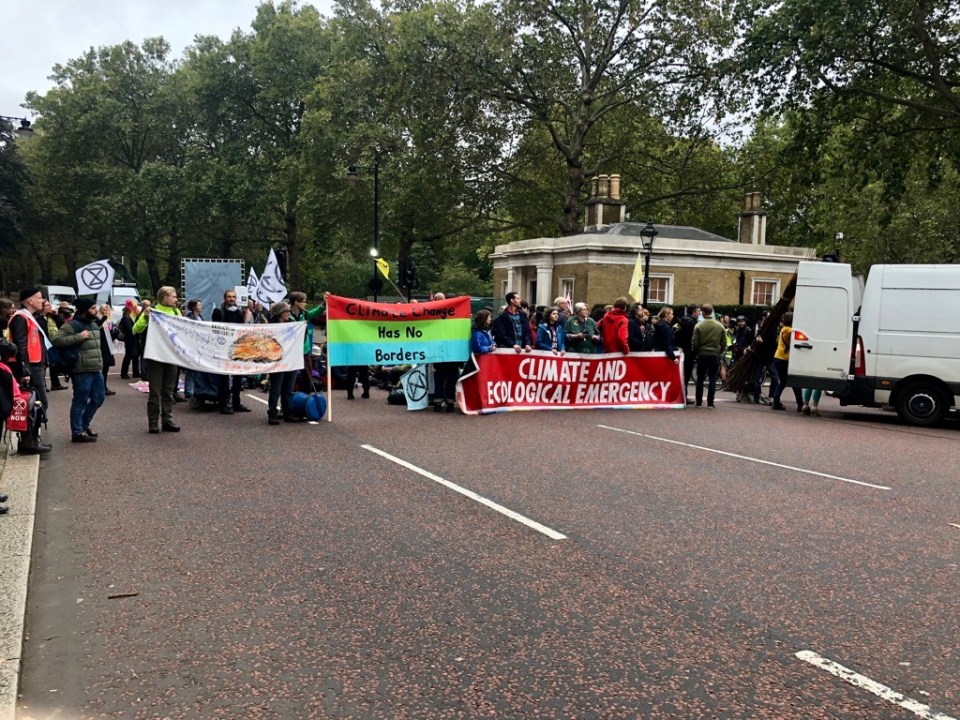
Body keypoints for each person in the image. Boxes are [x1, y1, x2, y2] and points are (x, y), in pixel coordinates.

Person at [52, 298, 105, 442]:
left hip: (96, 368)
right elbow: (56, 340)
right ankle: (77, 432)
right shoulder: (72, 325)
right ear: (84, 310)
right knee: (80, 401)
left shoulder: (94, 324)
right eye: (93, 308)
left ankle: (83, 425)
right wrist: (78, 337)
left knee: (99, 398)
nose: (96, 311)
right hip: (81, 370)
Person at [8, 287, 51, 455]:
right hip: (30, 367)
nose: (42, 301)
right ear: (30, 300)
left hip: (35, 365)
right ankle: (29, 443)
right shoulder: (21, 318)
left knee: (37, 404)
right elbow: (21, 345)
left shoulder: (30, 317)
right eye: (39, 298)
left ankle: (31, 440)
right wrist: (25, 370)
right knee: (34, 404)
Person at [133, 286, 181, 433]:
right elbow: (135, 329)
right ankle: (153, 422)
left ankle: (167, 420)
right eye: (173, 296)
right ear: (165, 298)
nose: (176, 299)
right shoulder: (151, 311)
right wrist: (146, 318)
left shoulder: (176, 311)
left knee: (168, 391)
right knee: (155, 391)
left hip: (170, 356)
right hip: (155, 356)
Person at [211, 289, 251, 414]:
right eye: (229, 297)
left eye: (233, 297)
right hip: (223, 349)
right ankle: (223, 404)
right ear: (225, 298)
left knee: (238, 378)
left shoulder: (240, 312)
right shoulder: (218, 311)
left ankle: (236, 403)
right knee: (224, 379)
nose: (231, 299)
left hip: (236, 349)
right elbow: (215, 329)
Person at [266, 301, 301, 425]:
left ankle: (287, 411)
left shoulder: (292, 324)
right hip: (277, 361)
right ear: (279, 314)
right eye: (285, 311)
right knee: (276, 388)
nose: (288, 313)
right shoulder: (271, 326)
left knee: (288, 388)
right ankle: (272, 413)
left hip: (290, 360)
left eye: (288, 311)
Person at [288, 291, 325, 393]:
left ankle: (306, 398)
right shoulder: (287, 316)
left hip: (304, 350)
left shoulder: (304, 314)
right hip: (291, 352)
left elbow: (316, 312)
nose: (305, 303)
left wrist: (323, 304)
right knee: (290, 378)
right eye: (303, 301)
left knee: (307, 377)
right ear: (296, 302)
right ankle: (287, 403)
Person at [691, 303, 725, 409]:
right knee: (712, 379)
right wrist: (719, 351)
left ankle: (699, 402)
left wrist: (697, 351)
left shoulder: (699, 325)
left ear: (703, 313)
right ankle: (710, 403)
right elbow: (723, 342)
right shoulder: (720, 326)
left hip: (702, 354)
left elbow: (695, 342)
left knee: (700, 378)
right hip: (714, 354)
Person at [429, 292, 459, 411]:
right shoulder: (455, 317)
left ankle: (438, 401)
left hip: (439, 352)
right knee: (450, 378)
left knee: (439, 378)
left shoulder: (432, 316)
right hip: (452, 353)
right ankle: (450, 402)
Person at [771, 311, 804, 411]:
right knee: (795, 382)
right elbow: (802, 335)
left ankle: (776, 401)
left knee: (783, 382)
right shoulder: (789, 331)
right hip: (785, 359)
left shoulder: (783, 329)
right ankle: (800, 404)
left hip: (778, 357)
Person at [673, 303, 700, 404]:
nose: (700, 313)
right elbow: (692, 339)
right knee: (686, 375)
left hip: (681, 350)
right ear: (693, 312)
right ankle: (683, 396)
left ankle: (682, 395)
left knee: (681, 374)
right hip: (688, 352)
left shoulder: (682, 321)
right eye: (698, 311)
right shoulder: (692, 323)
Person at [95, 303, 117, 396]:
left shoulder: (109, 321)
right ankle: (100, 388)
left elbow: (110, 337)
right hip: (101, 346)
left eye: (108, 310)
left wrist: (115, 333)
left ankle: (103, 387)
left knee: (105, 368)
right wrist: (103, 319)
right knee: (101, 368)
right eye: (104, 310)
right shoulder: (98, 319)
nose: (106, 312)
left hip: (107, 346)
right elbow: (96, 329)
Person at [118, 299, 141, 380]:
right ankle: (124, 373)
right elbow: (130, 330)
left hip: (133, 339)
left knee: (135, 356)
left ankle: (136, 372)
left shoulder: (129, 317)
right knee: (128, 356)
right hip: (130, 340)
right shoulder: (126, 318)